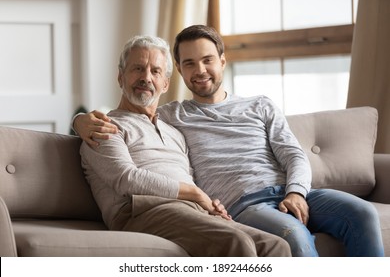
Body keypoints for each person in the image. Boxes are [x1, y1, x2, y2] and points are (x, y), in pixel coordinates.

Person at [75, 25, 384, 257]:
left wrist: (297, 192)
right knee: (292, 236)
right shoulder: (172, 116)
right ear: (181, 73)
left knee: (362, 214)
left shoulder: (250, 107)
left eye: (208, 60)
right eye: (190, 64)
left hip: (278, 194)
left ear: (222, 61)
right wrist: (80, 120)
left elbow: (294, 155)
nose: (200, 71)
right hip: (236, 205)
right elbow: (121, 160)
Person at [79, 34, 291, 257]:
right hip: (141, 211)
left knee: (276, 246)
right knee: (236, 242)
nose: (146, 78)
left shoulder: (173, 131)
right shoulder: (104, 128)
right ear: (120, 77)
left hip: (193, 211)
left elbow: (189, 177)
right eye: (137, 69)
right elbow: (126, 179)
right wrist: (195, 194)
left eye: (155, 71)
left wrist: (210, 204)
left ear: (165, 84)